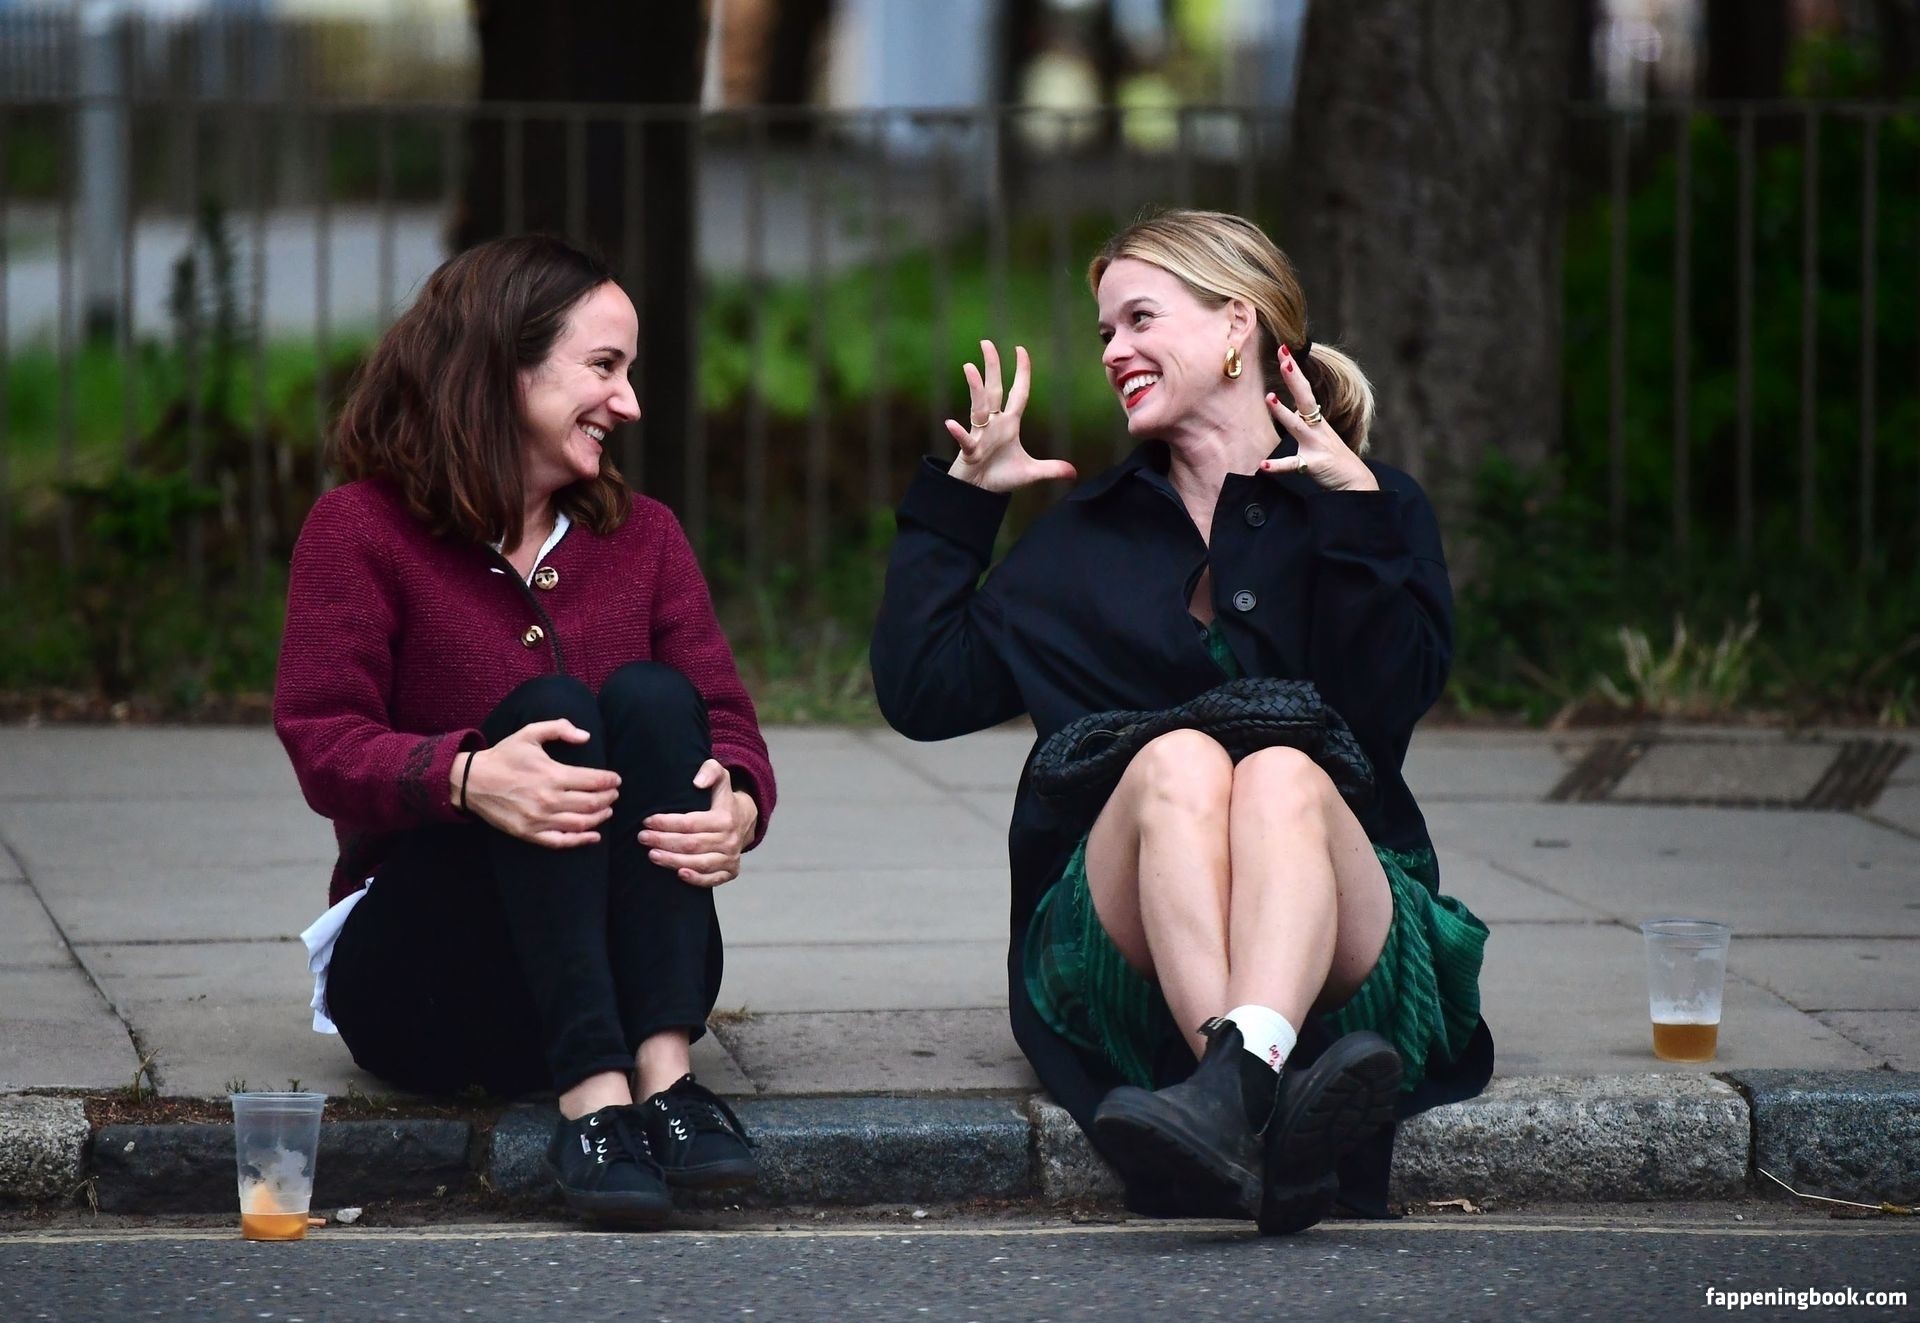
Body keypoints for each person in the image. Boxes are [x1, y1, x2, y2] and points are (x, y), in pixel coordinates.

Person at [871, 210, 1491, 1233]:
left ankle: (1224, 1101)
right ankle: (1253, 1080)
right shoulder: (1084, 543)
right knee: (1178, 758)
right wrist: (963, 504)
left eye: (1140, 319)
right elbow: (923, 692)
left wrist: (1354, 514)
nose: (1112, 350)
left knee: (1283, 770)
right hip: (1131, 952)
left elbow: (1388, 705)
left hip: (1347, 927)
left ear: (1237, 325)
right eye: (1105, 330)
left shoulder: (1365, 504)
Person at [274, 235, 775, 1229]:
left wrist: (739, 803)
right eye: (605, 367)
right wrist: (465, 777)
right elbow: (323, 738)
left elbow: (723, 719)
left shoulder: (645, 538)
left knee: (652, 697)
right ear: (504, 365)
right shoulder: (359, 530)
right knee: (556, 716)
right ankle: (593, 1103)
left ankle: (666, 1082)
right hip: (435, 981)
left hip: (630, 976)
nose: (629, 403)